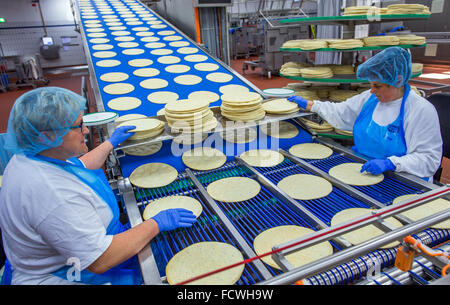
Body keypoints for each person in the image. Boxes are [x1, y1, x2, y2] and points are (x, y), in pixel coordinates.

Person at [0, 87, 197, 285]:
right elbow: (101, 259)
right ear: (46, 136)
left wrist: (110, 143)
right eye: (78, 126)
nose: (86, 130)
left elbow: (80, 165)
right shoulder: (51, 193)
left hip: (69, 255)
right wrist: (158, 223)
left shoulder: (32, 157)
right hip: (70, 274)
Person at [288, 47, 442, 182]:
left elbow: (429, 160)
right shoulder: (369, 98)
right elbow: (341, 112)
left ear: (398, 81)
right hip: (364, 171)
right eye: (371, 85)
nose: (372, 90)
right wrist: (310, 105)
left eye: (378, 86)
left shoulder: (420, 110)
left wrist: (392, 163)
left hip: (405, 180)